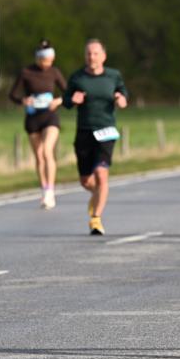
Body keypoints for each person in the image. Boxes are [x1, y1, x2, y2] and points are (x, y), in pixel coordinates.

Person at [62, 39, 128, 235]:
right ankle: (97, 194)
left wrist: (121, 99)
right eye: (89, 54)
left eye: (96, 53)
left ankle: (96, 219)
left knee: (101, 173)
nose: (92, 57)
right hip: (84, 132)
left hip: (106, 131)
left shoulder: (113, 76)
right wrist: (72, 100)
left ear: (103, 56)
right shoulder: (77, 77)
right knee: (86, 181)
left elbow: (123, 92)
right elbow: (66, 100)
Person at [9, 39, 67, 209]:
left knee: (48, 150)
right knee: (39, 156)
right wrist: (23, 100)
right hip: (33, 117)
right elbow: (12, 95)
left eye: (50, 60)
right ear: (38, 59)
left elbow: (68, 92)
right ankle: (44, 189)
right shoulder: (26, 72)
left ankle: (50, 191)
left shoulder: (54, 72)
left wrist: (58, 101)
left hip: (50, 116)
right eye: (44, 60)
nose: (47, 63)